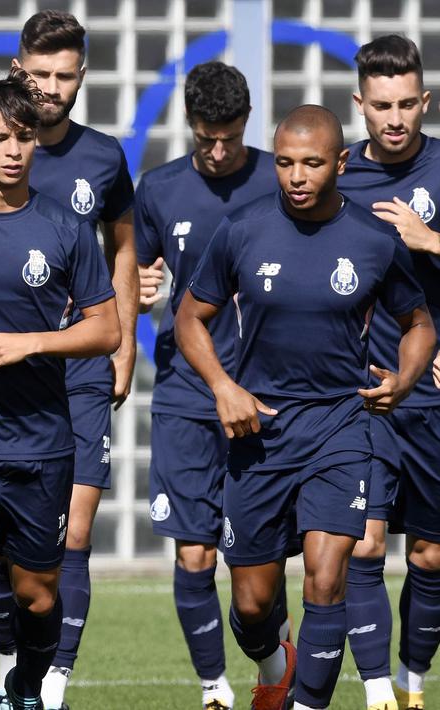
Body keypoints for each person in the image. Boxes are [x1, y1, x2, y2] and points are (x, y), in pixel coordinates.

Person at [175, 104, 435, 710]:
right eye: (286, 163)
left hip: (340, 426)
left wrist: (405, 377)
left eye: (312, 164)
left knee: (326, 576)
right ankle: (274, 661)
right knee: (252, 605)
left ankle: (305, 705)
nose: (296, 176)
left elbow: (418, 322)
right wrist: (222, 386)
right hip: (258, 430)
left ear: (340, 163)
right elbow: (191, 317)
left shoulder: (374, 240)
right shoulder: (243, 229)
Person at [0, 13, 138, 706]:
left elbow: (121, 251)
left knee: (48, 569)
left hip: (58, 394)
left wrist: (121, 341)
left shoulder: (96, 170)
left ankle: (41, 680)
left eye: (62, 75)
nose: (49, 88)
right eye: (37, 74)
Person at [135, 62, 279, 710]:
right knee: (193, 555)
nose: (216, 151)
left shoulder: (283, 180)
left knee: (255, 579)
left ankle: (274, 659)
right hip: (186, 394)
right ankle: (213, 690)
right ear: (188, 125)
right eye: (203, 138)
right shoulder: (158, 189)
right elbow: (128, 275)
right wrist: (135, 294)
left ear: (245, 122)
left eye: (227, 137)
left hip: (269, 393)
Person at [335, 34, 440, 710]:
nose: (394, 118)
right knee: (364, 544)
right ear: (360, 105)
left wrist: (430, 240)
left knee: (430, 556)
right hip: (366, 393)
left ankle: (409, 683)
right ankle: (376, 693)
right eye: (381, 105)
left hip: (433, 397)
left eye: (406, 104)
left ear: (423, 101)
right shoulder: (338, 177)